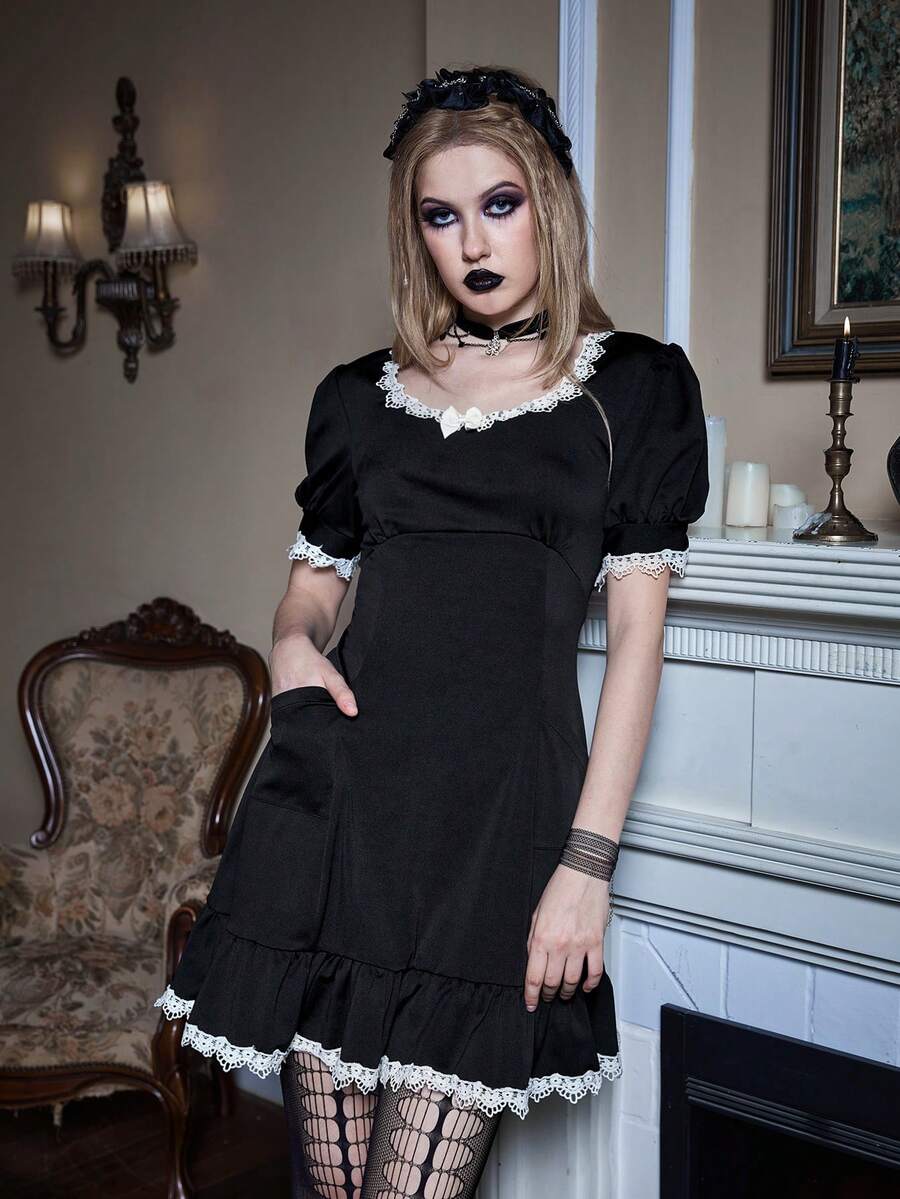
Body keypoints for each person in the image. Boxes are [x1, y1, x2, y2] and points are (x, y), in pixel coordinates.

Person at [154, 63, 710, 1198]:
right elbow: (312, 593)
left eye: (499, 204)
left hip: (499, 833)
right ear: (415, 232)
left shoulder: (633, 391)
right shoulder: (361, 400)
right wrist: (292, 642)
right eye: (441, 216)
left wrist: (586, 865)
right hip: (341, 815)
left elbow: (636, 647)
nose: (474, 243)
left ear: (550, 203)